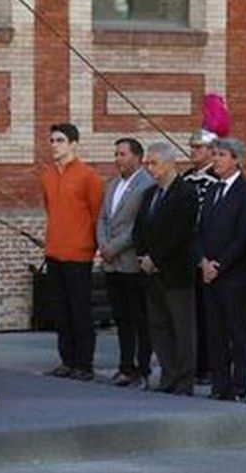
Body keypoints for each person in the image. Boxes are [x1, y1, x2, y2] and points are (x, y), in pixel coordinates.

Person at [133, 141, 199, 395]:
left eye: (154, 163)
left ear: (170, 163)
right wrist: (142, 256)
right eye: (147, 163)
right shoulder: (149, 194)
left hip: (175, 272)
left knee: (182, 328)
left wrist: (156, 258)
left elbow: (181, 233)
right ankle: (168, 375)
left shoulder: (186, 193)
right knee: (159, 326)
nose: (149, 168)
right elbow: (139, 229)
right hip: (151, 273)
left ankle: (185, 379)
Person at [39, 123, 104, 382]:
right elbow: (49, 208)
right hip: (54, 250)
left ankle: (84, 364)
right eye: (52, 140)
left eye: (60, 140)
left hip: (79, 253)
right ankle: (66, 361)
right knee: (61, 310)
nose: (55, 145)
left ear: (74, 144)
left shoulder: (88, 176)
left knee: (80, 311)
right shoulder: (47, 175)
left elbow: (97, 214)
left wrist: (94, 246)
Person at [194, 137, 246, 402]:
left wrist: (220, 264)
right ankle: (220, 384)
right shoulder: (212, 190)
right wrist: (203, 261)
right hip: (209, 273)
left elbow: (244, 236)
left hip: (235, 276)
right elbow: (199, 230)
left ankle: (239, 386)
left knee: (236, 334)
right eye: (215, 154)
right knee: (215, 332)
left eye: (221, 155)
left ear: (236, 159)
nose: (215, 159)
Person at [96, 137, 156, 387]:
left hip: (132, 262)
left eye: (122, 154)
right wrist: (103, 244)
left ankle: (142, 368)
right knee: (122, 319)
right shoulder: (113, 185)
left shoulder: (146, 185)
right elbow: (102, 218)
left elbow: (137, 226)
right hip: (112, 264)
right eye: (116, 154)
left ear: (137, 157)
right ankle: (125, 365)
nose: (117, 159)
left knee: (140, 318)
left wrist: (114, 247)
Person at [183, 129, 219, 386]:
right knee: (190, 313)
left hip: (209, 254)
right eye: (192, 146)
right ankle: (192, 363)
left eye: (198, 147)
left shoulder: (218, 178)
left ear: (210, 151)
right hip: (186, 254)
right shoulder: (186, 178)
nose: (193, 151)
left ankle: (210, 364)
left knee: (210, 314)